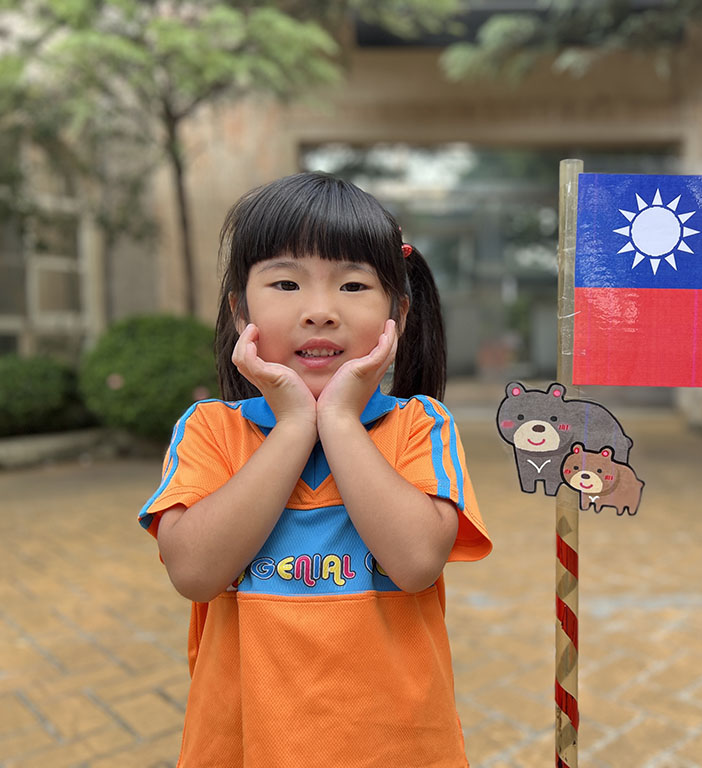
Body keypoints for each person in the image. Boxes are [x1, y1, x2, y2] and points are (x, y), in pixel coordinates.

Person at [138, 172, 491, 767]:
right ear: (239, 310)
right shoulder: (211, 429)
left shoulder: (420, 425)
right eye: (285, 282)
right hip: (243, 749)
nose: (321, 311)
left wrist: (342, 421)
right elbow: (194, 572)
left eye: (354, 285)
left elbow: (414, 563)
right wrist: (295, 424)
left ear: (398, 316)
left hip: (397, 750)